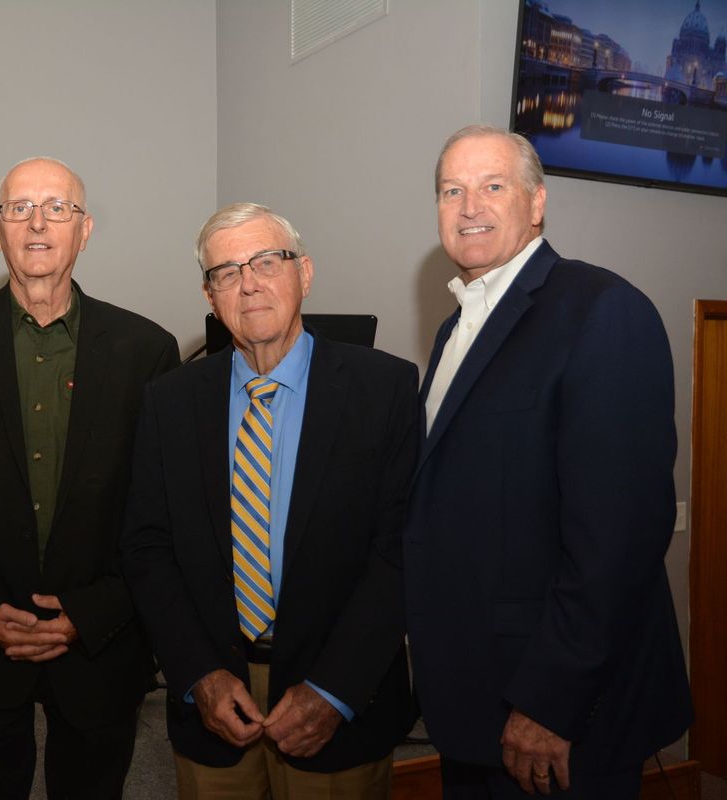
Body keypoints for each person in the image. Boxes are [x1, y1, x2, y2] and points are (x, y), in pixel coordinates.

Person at [405, 124, 693, 798]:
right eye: (452, 190)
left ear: (536, 203)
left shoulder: (602, 311)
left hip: (554, 715)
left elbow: (618, 539)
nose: (469, 207)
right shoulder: (455, 328)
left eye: (492, 186)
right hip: (473, 701)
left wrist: (550, 701)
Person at [121, 202, 419, 798]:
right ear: (210, 295)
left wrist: (333, 691)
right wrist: (198, 675)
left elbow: (402, 550)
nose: (249, 283)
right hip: (214, 702)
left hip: (338, 700)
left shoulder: (383, 388)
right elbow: (147, 548)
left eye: (266, 262)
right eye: (226, 272)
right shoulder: (170, 402)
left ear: (304, 273)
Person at [0, 156, 180, 799]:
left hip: (99, 646)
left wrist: (95, 611)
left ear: (84, 231)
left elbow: (161, 508)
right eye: (20, 208)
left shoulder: (147, 350)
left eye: (58, 208)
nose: (37, 223)